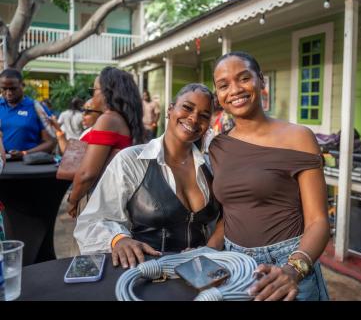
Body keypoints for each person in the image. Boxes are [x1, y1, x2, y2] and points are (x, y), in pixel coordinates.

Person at [206, 51, 330, 301]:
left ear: (261, 81)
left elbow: (318, 222)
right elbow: (230, 214)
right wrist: (205, 252)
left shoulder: (298, 137)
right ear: (218, 94)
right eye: (224, 85)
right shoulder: (218, 146)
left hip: (287, 263)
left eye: (243, 78)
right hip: (235, 266)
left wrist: (293, 271)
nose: (235, 90)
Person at [74, 83, 220, 269]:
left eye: (204, 115)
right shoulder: (131, 161)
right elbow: (91, 221)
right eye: (187, 107)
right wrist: (118, 239)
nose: (193, 118)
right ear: (169, 109)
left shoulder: (210, 166)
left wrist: (209, 250)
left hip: (198, 274)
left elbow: (225, 219)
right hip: (147, 272)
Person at [65, 67, 144, 219]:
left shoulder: (108, 119)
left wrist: (72, 199)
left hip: (97, 199)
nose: (92, 95)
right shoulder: (124, 120)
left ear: (106, 92)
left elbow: (87, 174)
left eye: (93, 90)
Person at [0, 69, 56, 160]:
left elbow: (51, 142)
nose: (8, 93)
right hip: (2, 166)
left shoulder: (36, 107)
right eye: (4, 89)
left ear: (22, 86)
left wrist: (24, 153)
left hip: (28, 165)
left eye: (13, 88)